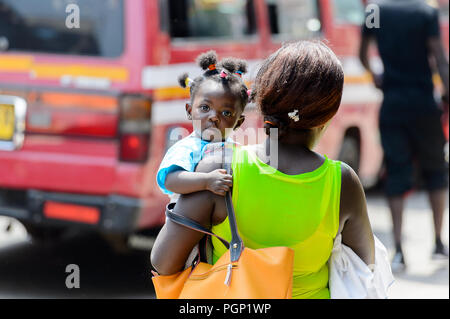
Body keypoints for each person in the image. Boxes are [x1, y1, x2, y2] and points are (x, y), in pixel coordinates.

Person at [151, 41, 377, 299]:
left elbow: (163, 262)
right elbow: (364, 267)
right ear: (328, 115)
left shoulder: (220, 167)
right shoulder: (342, 181)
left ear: (261, 102)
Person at [359, 0, 449, 272]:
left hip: (393, 104)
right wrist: (446, 93)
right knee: (436, 171)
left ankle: (398, 249)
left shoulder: (374, 11)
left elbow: (363, 54)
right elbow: (440, 58)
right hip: (423, 103)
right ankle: (437, 244)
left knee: (396, 173)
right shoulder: (426, 12)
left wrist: (376, 75)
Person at [156, 51, 249, 203]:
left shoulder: (236, 149)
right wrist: (206, 181)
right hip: (187, 224)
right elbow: (171, 180)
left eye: (226, 112)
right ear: (190, 111)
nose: (214, 117)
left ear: (238, 122)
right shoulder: (188, 148)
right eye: (205, 108)